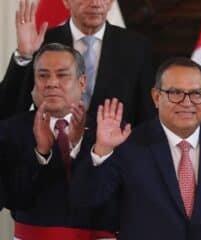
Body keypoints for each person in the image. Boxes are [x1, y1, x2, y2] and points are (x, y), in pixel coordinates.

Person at [70, 58, 201, 240]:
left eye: (196, 93)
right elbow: (87, 201)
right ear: (156, 97)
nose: (187, 102)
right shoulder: (127, 144)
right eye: (175, 93)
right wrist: (103, 150)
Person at [0, 43, 117, 239]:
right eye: (43, 75)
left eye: (62, 75)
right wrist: (41, 153)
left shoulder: (109, 129)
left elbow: (115, 196)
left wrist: (79, 147)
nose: (52, 83)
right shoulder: (10, 131)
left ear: (82, 83)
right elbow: (14, 198)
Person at [0, 0, 155, 125]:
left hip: (115, 156)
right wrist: (24, 56)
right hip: (52, 151)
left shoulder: (136, 47)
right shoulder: (41, 41)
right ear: (66, 2)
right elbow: (7, 110)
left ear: (111, 3)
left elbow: (147, 117)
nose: (95, 3)